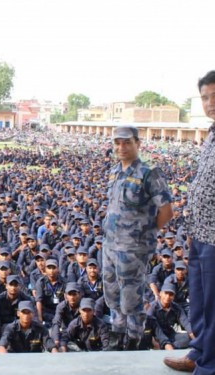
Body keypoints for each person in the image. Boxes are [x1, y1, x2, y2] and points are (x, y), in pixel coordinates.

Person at [103, 125, 173, 350]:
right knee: (112, 295)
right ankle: (116, 337)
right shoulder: (115, 171)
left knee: (131, 301)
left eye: (127, 142)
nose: (121, 147)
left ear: (137, 144)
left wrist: (146, 235)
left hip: (133, 249)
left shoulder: (148, 173)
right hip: (110, 246)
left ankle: (132, 342)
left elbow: (166, 211)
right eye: (117, 143)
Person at [164, 70, 215, 374]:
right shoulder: (211, 134)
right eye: (205, 97)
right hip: (201, 232)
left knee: (213, 306)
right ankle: (199, 353)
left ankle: (209, 366)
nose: (210, 103)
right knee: (199, 300)